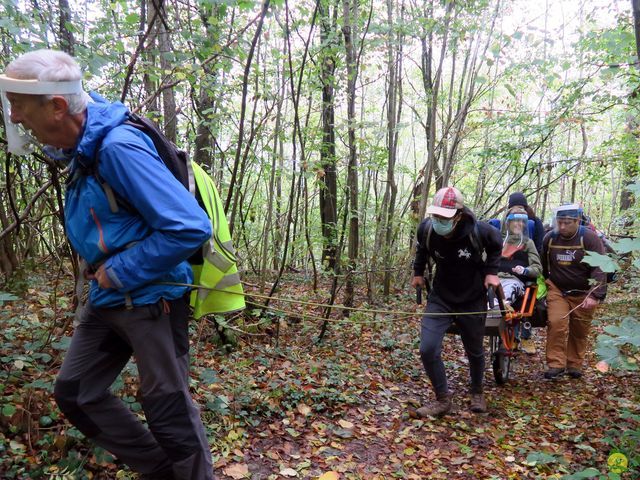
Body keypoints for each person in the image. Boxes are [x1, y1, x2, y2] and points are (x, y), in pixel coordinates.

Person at [1, 50, 214, 479]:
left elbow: (189, 227)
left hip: (151, 297)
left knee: (167, 407)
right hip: (111, 297)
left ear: (57, 106)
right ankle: (163, 472)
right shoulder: (87, 143)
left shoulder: (118, 147)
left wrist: (120, 271)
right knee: (77, 392)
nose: (14, 116)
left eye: (19, 104)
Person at [411, 187, 502, 416]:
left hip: (472, 297)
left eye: (445, 217)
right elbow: (422, 249)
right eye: (436, 216)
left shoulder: (479, 231)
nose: (439, 221)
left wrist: (492, 272)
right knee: (427, 348)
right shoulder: (427, 229)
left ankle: (477, 391)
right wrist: (418, 272)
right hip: (441, 297)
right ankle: (442, 400)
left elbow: (496, 245)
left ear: (459, 215)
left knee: (474, 350)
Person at [542, 203, 607, 380]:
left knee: (579, 329)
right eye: (560, 222)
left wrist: (595, 294)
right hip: (557, 289)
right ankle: (556, 364)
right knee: (556, 323)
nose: (562, 226)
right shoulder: (550, 239)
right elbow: (542, 265)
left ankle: (574, 364)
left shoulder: (589, 238)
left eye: (567, 222)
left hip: (584, 291)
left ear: (577, 221)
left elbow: (600, 267)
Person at [497, 207, 543, 354]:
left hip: (515, 282)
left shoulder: (528, 243)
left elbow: (538, 268)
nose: (518, 224)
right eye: (514, 221)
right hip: (495, 279)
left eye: (522, 221)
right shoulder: (497, 242)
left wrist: (525, 270)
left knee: (509, 288)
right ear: (507, 223)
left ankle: (501, 307)